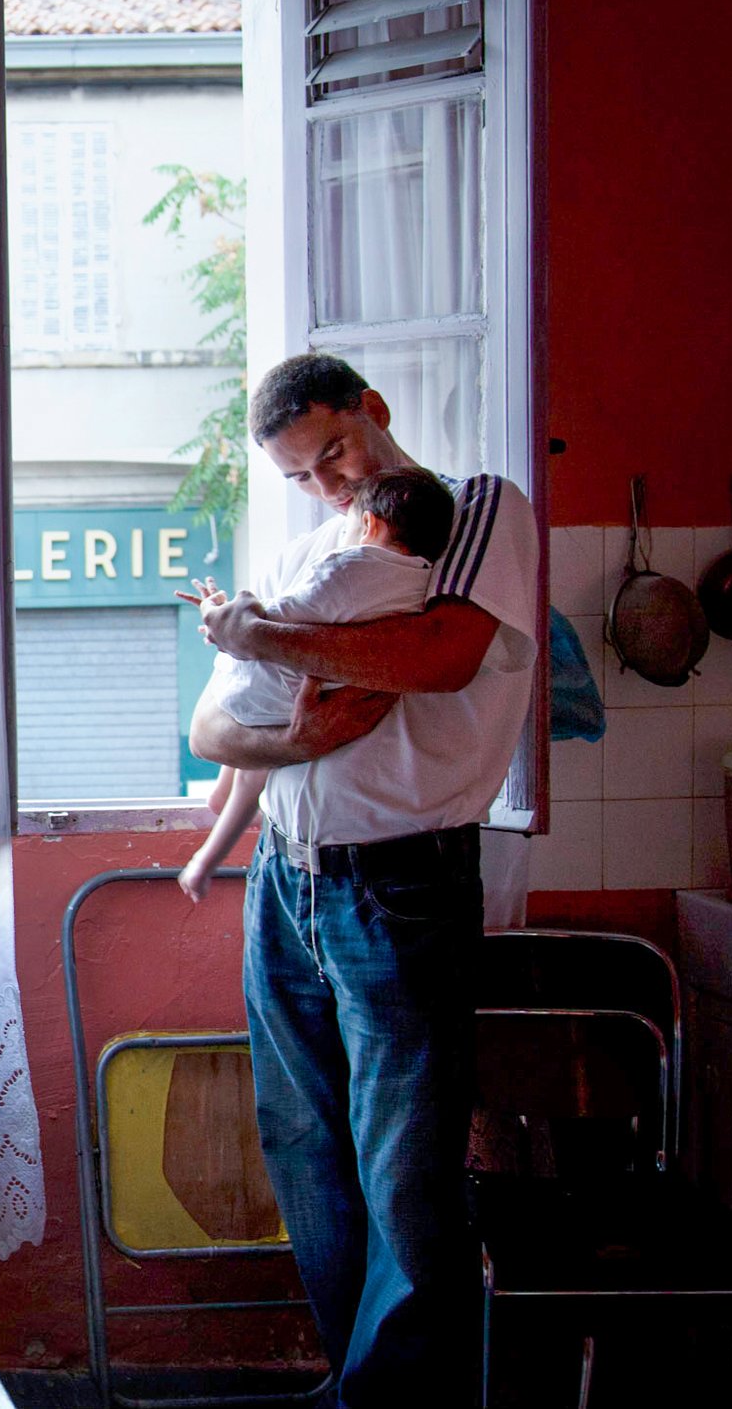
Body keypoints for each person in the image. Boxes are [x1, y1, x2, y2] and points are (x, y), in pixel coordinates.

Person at [186, 353, 538, 1407]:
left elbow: (438, 655)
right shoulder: (312, 550)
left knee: (405, 1168)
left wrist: (258, 634)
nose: (329, 486)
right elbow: (209, 726)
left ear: (373, 411)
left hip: (401, 885)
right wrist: (288, 736)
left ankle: (400, 1399)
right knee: (304, 1146)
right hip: (284, 882)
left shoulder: (467, 510)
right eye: (302, 473)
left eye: (334, 451)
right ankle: (362, 1385)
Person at [175, 465, 456, 904]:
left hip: (284, 692)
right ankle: (220, 801)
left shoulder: (349, 566)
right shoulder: (421, 584)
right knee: (254, 756)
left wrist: (222, 612)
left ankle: (206, 852)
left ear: (369, 524)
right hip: (325, 687)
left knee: (251, 742)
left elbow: (271, 619)